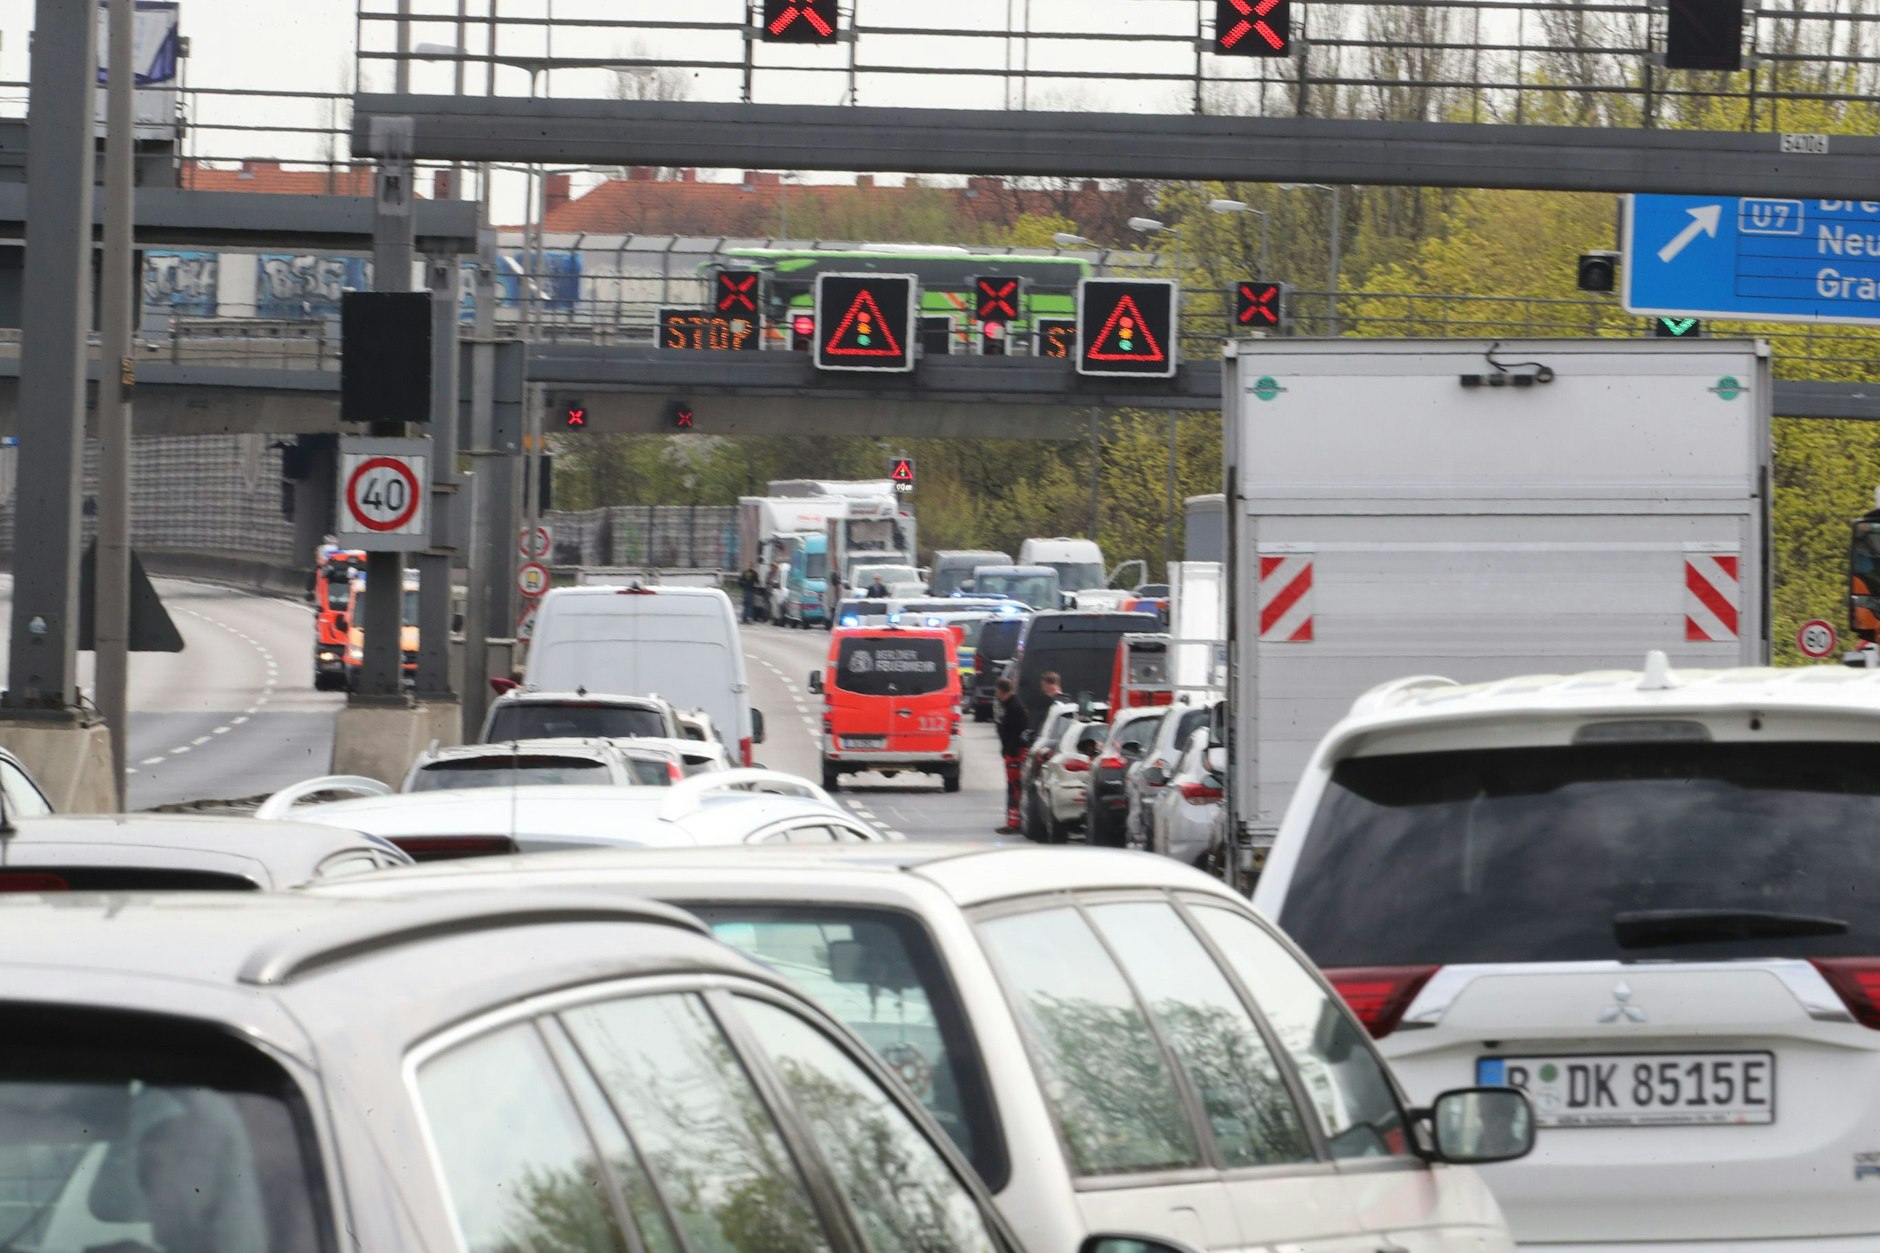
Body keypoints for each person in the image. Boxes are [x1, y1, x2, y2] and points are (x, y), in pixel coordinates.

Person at [994, 677, 1029, 835]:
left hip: (1014, 753)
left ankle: (1015, 823)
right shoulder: (1008, 705)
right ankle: (1013, 821)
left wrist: (1011, 751)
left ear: (1001, 690)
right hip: (1010, 752)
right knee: (1013, 788)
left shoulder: (1014, 707)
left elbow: (1016, 731)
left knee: (1015, 788)